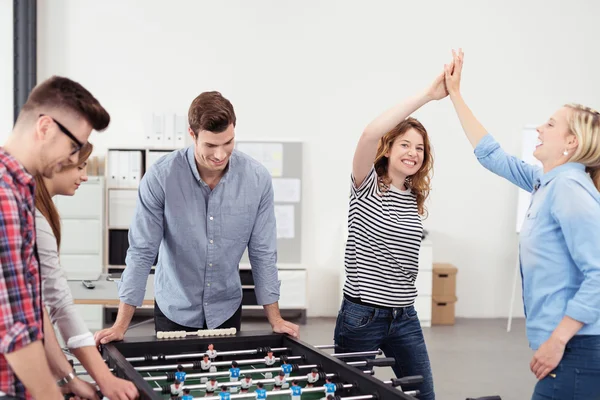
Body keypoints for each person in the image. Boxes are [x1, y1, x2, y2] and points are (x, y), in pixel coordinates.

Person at [444, 49, 600, 399]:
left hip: (579, 348)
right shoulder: (547, 181)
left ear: (571, 143)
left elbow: (599, 273)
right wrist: (455, 95)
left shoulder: (569, 189)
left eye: (551, 124)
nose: (541, 128)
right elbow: (492, 155)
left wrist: (558, 340)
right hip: (573, 347)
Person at [94, 91, 299, 345]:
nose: (221, 154)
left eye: (228, 142)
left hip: (227, 311)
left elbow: (263, 253)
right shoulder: (161, 177)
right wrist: (120, 326)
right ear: (192, 134)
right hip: (174, 309)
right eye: (211, 145)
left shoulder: (257, 179)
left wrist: (276, 319)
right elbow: (141, 251)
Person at [333, 67, 451, 400]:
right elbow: (369, 134)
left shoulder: (414, 195)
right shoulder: (366, 185)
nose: (413, 153)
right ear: (388, 149)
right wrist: (428, 95)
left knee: (423, 395)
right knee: (351, 396)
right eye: (405, 144)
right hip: (362, 315)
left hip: (404, 316)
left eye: (420, 148)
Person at [0, 76, 108, 399]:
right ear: (45, 127)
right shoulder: (4, 195)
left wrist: (66, 380)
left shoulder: (21, 190)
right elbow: (14, 331)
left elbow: (32, 308)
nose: (75, 160)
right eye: (74, 147)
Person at [35, 141, 139, 400]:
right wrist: (102, 379)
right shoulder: (35, 221)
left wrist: (66, 375)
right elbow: (58, 305)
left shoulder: (39, 212)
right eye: (80, 167)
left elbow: (38, 311)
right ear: (56, 164)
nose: (85, 175)